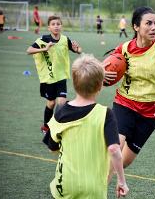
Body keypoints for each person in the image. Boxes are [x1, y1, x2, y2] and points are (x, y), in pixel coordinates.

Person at [107, 6, 155, 179]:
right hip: (124, 103)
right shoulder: (124, 49)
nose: (153, 27)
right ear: (136, 27)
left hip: (150, 113)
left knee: (124, 162)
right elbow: (105, 67)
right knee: (115, 150)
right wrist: (102, 73)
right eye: (148, 23)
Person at [43, 54, 129, 198]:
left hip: (65, 184)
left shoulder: (60, 112)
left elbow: (52, 146)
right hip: (94, 188)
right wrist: (121, 181)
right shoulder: (105, 114)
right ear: (100, 85)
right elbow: (114, 149)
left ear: (74, 84)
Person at [26, 16, 82, 134]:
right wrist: (44, 49)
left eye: (58, 24)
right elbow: (29, 50)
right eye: (53, 24)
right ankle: (46, 126)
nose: (56, 26)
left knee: (61, 102)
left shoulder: (65, 39)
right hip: (48, 78)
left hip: (61, 77)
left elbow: (79, 49)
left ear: (61, 26)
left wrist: (77, 50)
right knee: (51, 103)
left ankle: (56, 127)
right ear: (49, 27)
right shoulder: (43, 39)